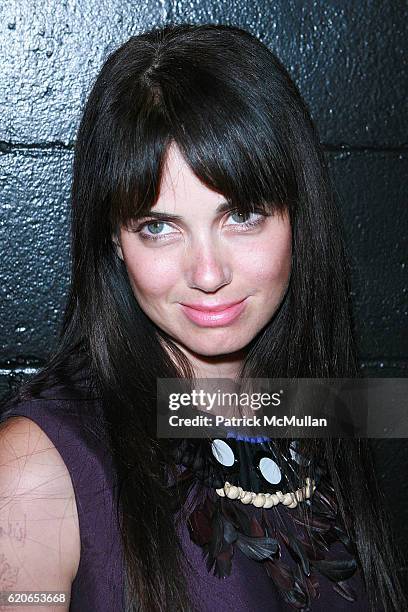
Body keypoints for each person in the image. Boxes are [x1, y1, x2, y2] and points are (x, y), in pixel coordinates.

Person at [0, 23, 405, 612]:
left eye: (241, 215)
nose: (208, 273)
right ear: (115, 241)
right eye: (158, 227)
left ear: (297, 217)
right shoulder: (35, 471)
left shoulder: (326, 407)